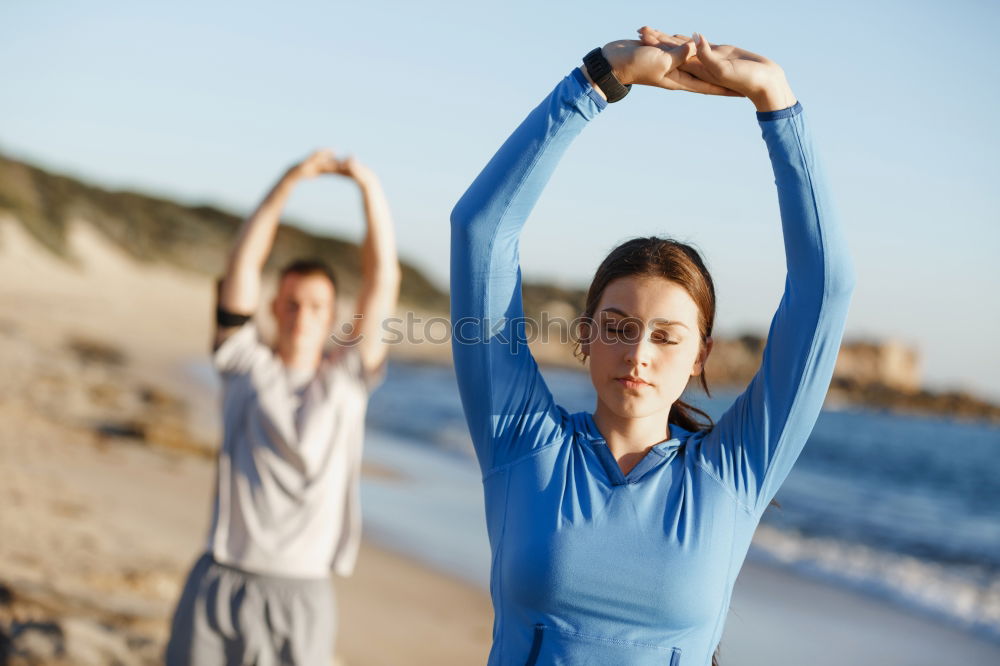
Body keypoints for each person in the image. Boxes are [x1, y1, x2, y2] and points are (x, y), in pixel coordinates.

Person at [450, 26, 855, 665]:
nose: (638, 352)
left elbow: (824, 289)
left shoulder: (733, 473)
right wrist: (594, 80)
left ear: (700, 355)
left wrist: (776, 101)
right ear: (586, 337)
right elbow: (480, 233)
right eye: (617, 326)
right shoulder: (521, 441)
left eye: (667, 336)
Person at [165, 149, 400, 665]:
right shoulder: (245, 368)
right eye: (290, 303)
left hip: (304, 591)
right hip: (222, 579)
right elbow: (241, 265)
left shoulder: (347, 381)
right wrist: (290, 179)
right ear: (273, 308)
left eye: (315, 306)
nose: (301, 316)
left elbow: (381, 281)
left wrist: (368, 189)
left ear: (333, 315)